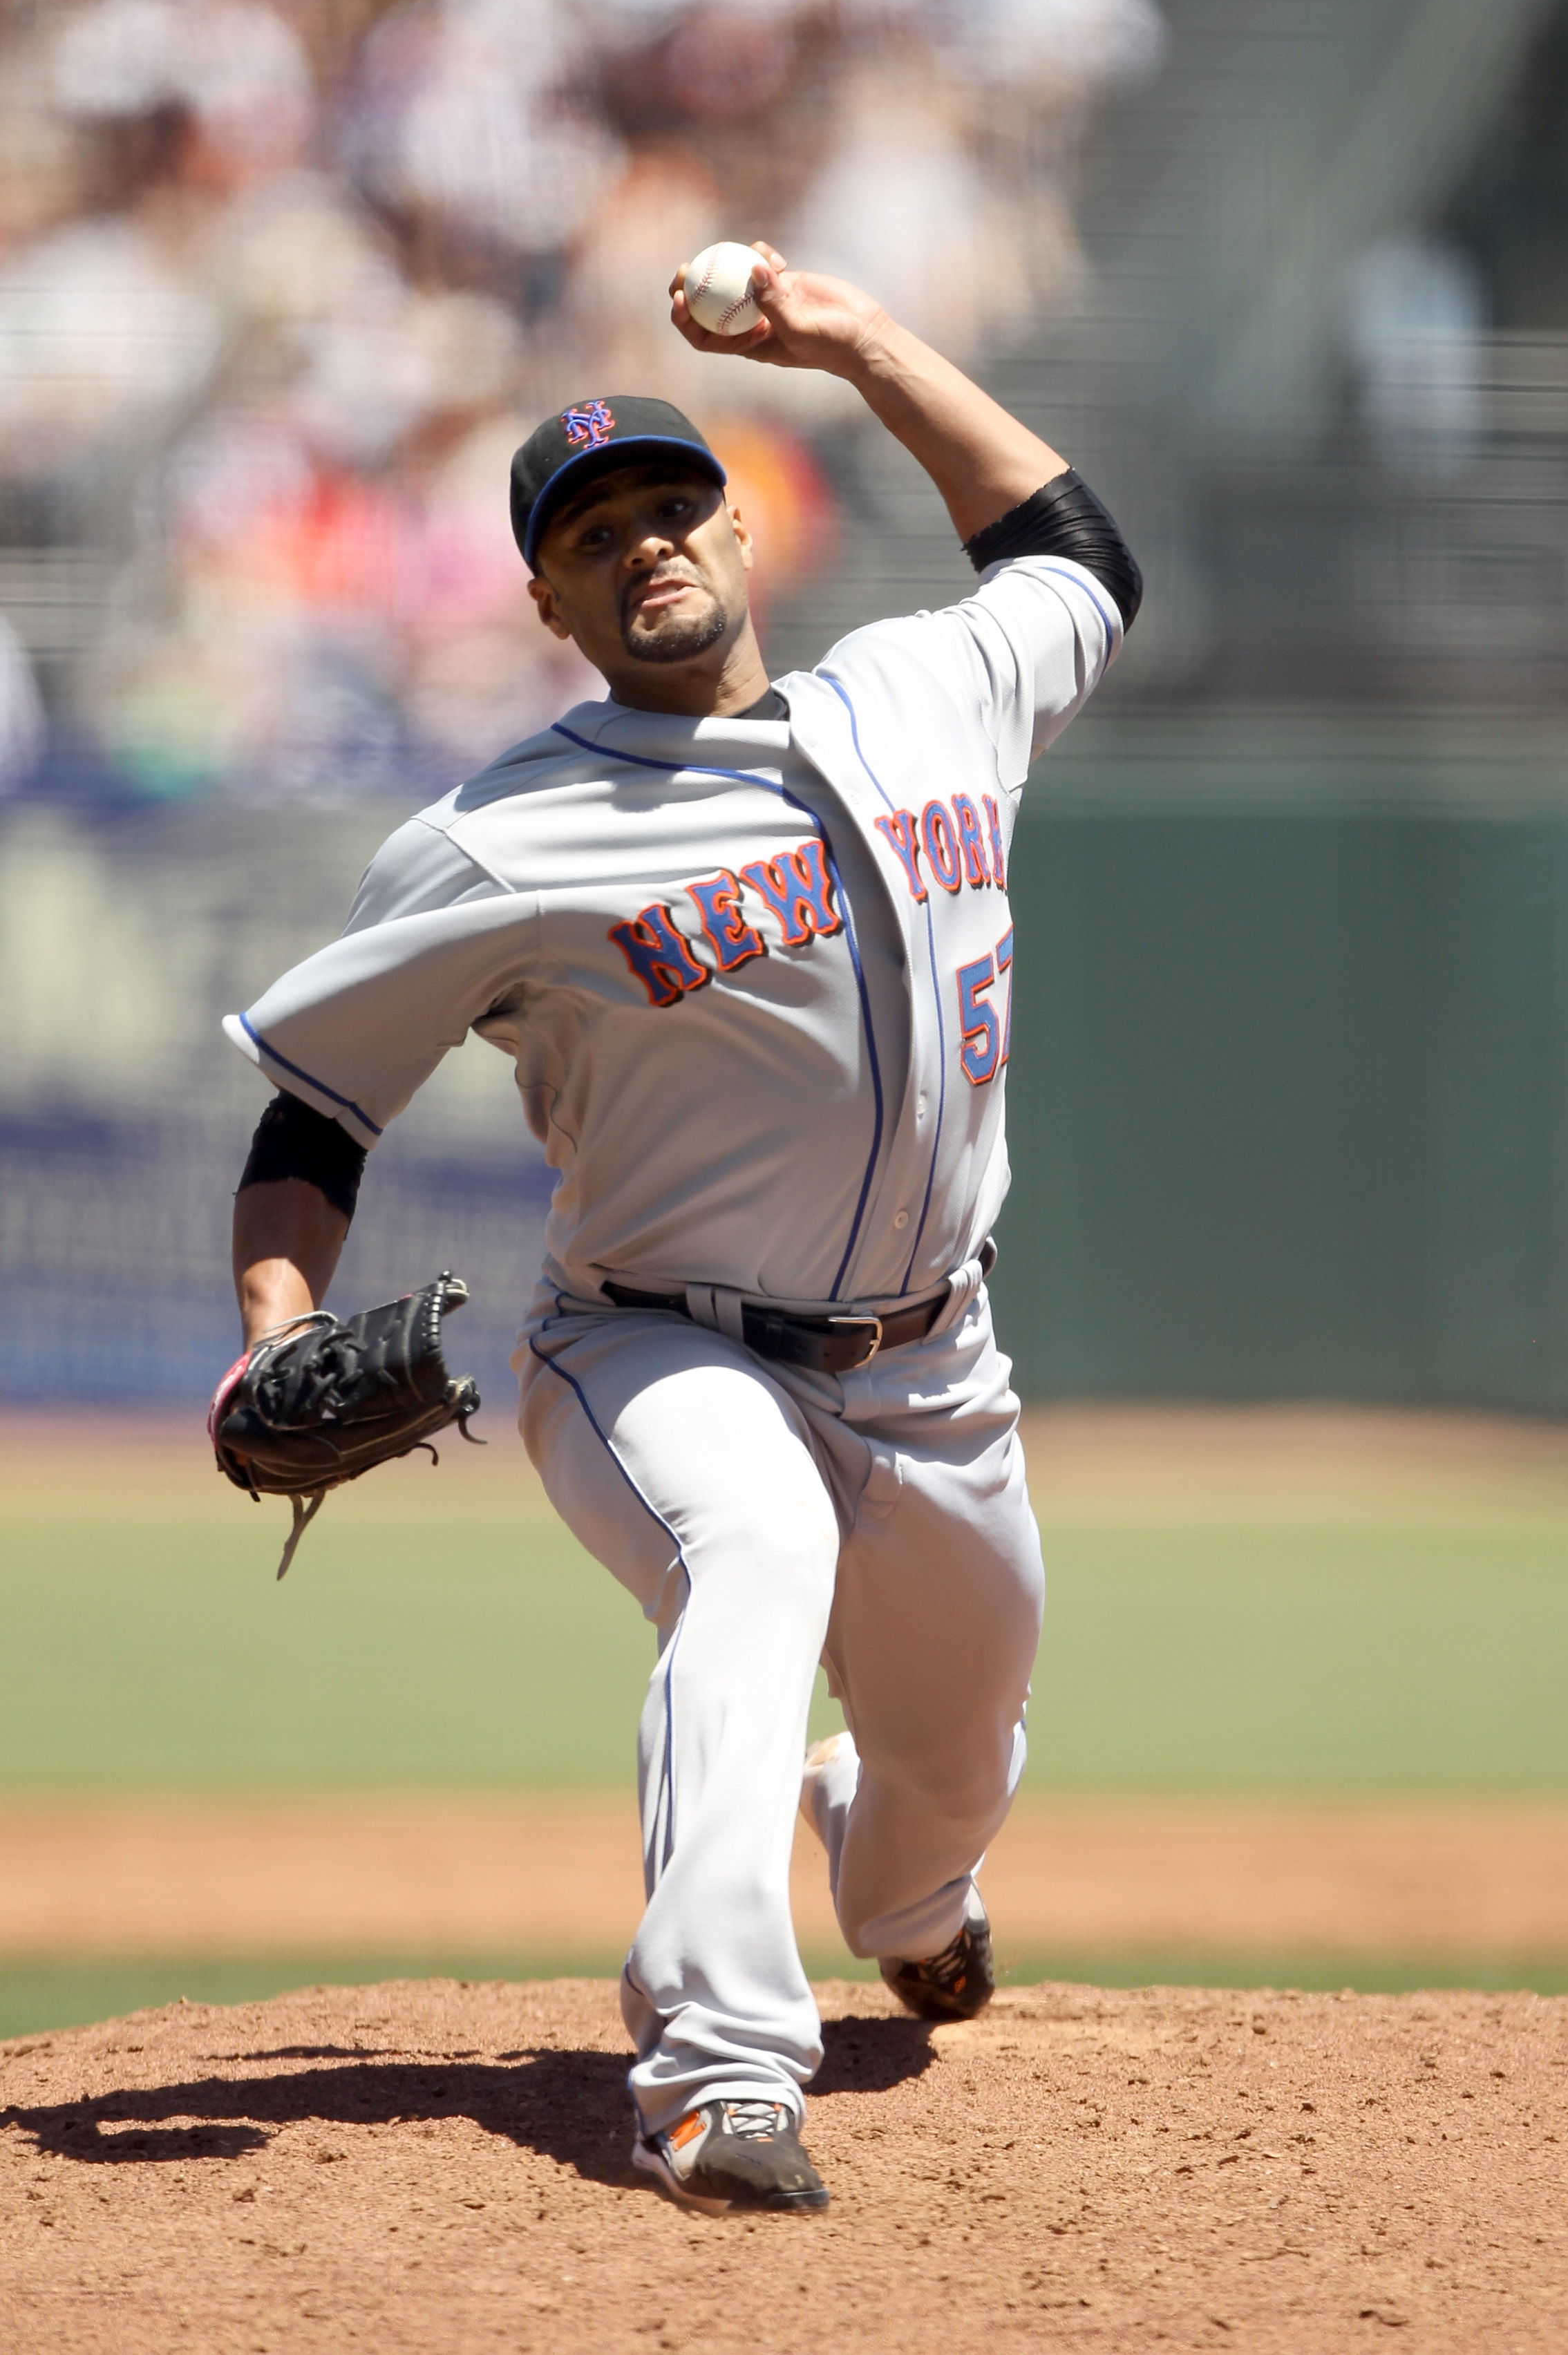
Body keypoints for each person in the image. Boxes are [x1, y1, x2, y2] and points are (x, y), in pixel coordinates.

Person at [222, 243, 1142, 2215]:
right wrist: (272, 1311)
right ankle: (719, 2063)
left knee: (943, 1791)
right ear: (548, 602)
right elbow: (315, 1108)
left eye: (668, 504)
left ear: (742, 527)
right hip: (657, 1342)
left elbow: (1073, 557)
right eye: (593, 535)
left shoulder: (927, 688)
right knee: (756, 1550)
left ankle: (882, 1868)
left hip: (935, 1360)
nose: (642, 545)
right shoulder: (498, 839)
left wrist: (864, 341)